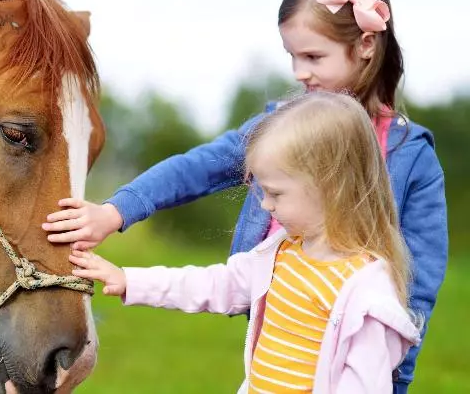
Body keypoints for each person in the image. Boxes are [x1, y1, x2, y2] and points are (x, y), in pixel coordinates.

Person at [43, 0, 447, 392]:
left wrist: (395, 378)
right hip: (282, 328)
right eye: (292, 56)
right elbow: (196, 168)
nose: (298, 72)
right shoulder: (280, 130)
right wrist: (115, 211)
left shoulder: (410, 157)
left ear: (367, 44)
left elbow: (414, 291)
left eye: (313, 56)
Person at [69, 92, 422, 393]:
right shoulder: (281, 254)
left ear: (331, 187)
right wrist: (130, 280)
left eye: (275, 193)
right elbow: (215, 284)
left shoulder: (369, 300)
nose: (265, 206)